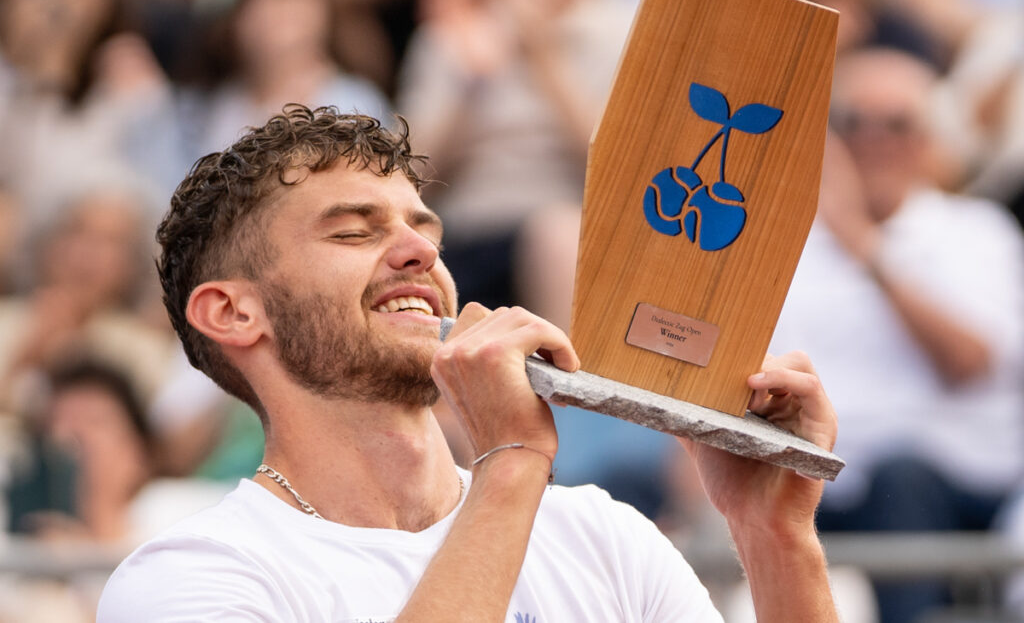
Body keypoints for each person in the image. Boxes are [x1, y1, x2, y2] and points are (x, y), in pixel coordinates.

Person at [98, 105, 839, 621]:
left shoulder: (603, 536)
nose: (420, 250)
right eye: (355, 232)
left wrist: (775, 537)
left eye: (423, 228)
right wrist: (512, 461)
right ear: (232, 312)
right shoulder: (187, 578)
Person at [771, 48, 1024, 622]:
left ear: (929, 137)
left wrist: (865, 247)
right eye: (854, 122)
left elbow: (967, 361)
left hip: (947, 479)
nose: (874, 139)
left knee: (901, 478)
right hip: (821, 475)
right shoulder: (789, 242)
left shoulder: (976, 230)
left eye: (897, 123)